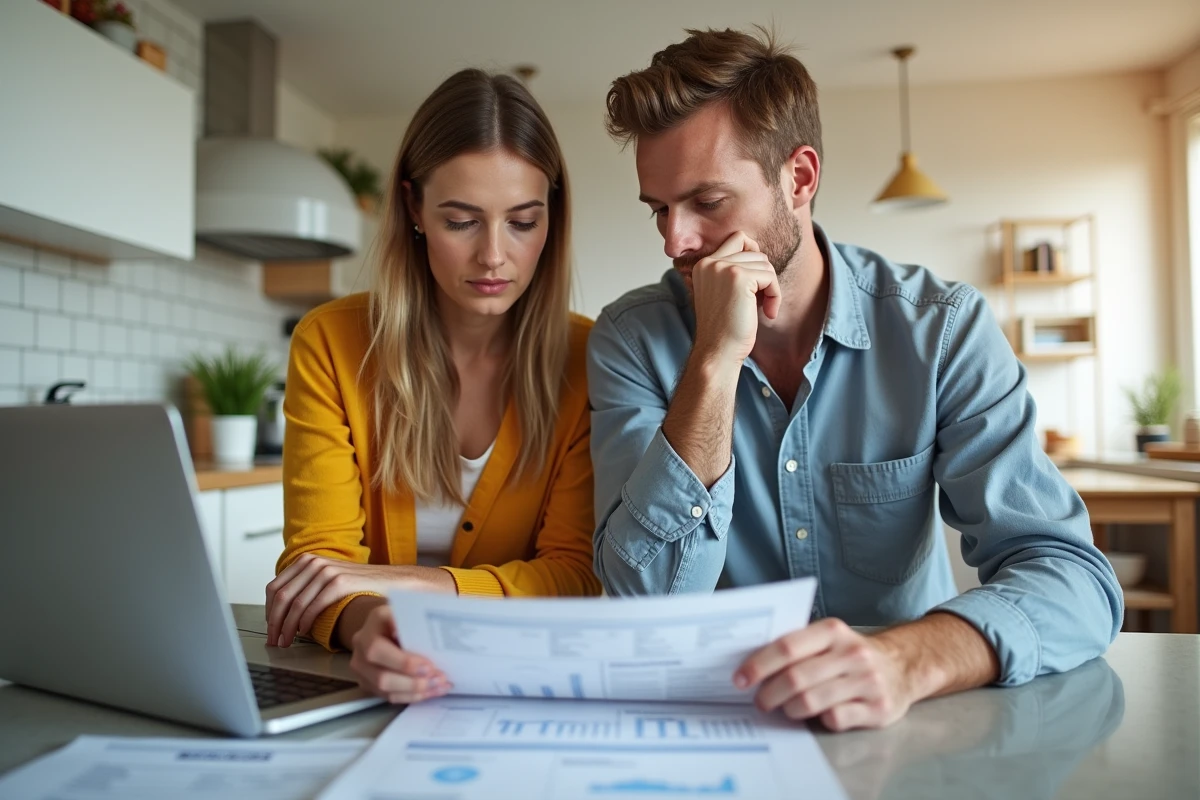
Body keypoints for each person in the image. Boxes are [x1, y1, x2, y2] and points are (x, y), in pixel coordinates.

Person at [588, 28, 1122, 731]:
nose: (675, 241)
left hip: (908, 727)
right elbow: (644, 601)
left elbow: (1072, 577)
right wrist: (713, 362)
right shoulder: (631, 340)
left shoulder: (941, 330)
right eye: (659, 208)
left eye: (707, 202)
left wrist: (907, 660)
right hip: (719, 728)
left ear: (799, 178)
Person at [266, 69, 601, 705]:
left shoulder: (591, 359)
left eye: (523, 222)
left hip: (525, 688)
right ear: (414, 208)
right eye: (462, 221)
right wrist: (374, 625)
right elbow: (318, 565)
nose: (494, 257)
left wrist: (409, 585)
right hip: (371, 685)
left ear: (551, 217)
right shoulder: (331, 345)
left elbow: (575, 574)